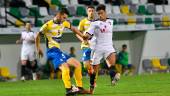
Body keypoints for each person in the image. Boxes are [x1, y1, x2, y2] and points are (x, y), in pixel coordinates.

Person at [35, 8, 90, 95]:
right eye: (64, 17)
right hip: (51, 51)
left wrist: (83, 36)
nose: (65, 19)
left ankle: (80, 88)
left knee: (77, 64)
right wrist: (38, 48)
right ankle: (68, 89)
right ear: (59, 15)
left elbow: (74, 29)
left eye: (66, 18)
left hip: (58, 51)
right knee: (65, 68)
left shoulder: (64, 23)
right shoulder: (47, 25)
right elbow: (37, 36)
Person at [84, 4, 121, 94]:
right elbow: (88, 34)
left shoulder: (111, 21)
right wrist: (86, 36)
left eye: (101, 13)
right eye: (98, 13)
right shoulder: (94, 23)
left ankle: (113, 77)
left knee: (112, 65)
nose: (100, 15)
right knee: (93, 72)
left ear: (105, 12)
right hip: (98, 48)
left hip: (109, 47)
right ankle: (91, 89)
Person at [76, 5, 97, 85]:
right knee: (86, 65)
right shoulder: (83, 22)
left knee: (95, 64)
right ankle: (93, 76)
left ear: (94, 12)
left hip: (95, 46)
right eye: (89, 11)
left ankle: (93, 81)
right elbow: (77, 33)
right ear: (87, 12)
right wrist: (83, 40)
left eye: (92, 11)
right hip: (86, 45)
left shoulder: (97, 22)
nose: (91, 12)